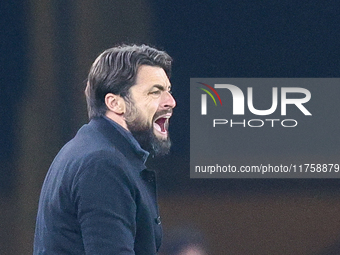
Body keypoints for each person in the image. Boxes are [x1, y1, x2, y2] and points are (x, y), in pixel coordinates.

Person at [33, 44, 176, 254]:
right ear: (115, 103)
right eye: (155, 92)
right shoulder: (102, 164)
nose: (170, 102)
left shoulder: (88, 150)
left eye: (168, 91)